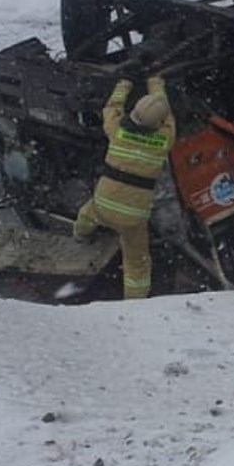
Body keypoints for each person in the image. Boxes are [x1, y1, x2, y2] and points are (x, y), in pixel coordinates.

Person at [74, 75, 176, 299]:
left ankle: (82, 235)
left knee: (86, 214)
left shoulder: (117, 131)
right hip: (133, 218)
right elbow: (168, 119)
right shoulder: (164, 140)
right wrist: (156, 84)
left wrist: (123, 86)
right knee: (137, 261)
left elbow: (110, 108)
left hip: (102, 206)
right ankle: (134, 301)